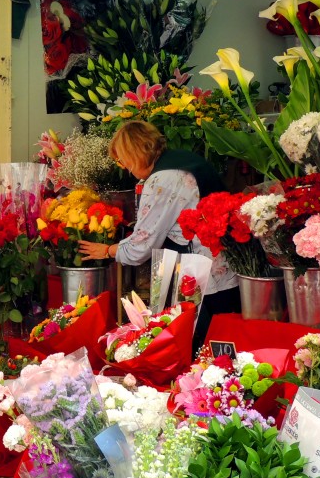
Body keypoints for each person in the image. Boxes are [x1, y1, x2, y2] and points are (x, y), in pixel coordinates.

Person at [78, 120, 239, 351]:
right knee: (222, 344)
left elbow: (142, 244)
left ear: (133, 154)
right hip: (224, 266)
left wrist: (108, 250)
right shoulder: (183, 160)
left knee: (197, 348)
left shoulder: (162, 180)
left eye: (122, 159)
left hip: (203, 276)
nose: (124, 167)